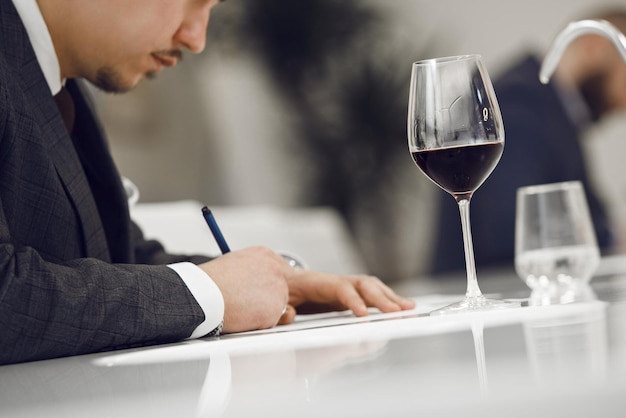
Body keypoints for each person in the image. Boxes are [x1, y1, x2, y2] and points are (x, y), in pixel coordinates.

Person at [0, 0, 415, 365]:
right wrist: (208, 293)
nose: (196, 39)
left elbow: (114, 256)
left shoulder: (60, 83)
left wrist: (261, 283)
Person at [430, 9, 626, 276]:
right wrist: (609, 237)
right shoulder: (520, 102)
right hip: (493, 297)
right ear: (595, 46)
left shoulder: (558, 109)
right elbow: (513, 229)